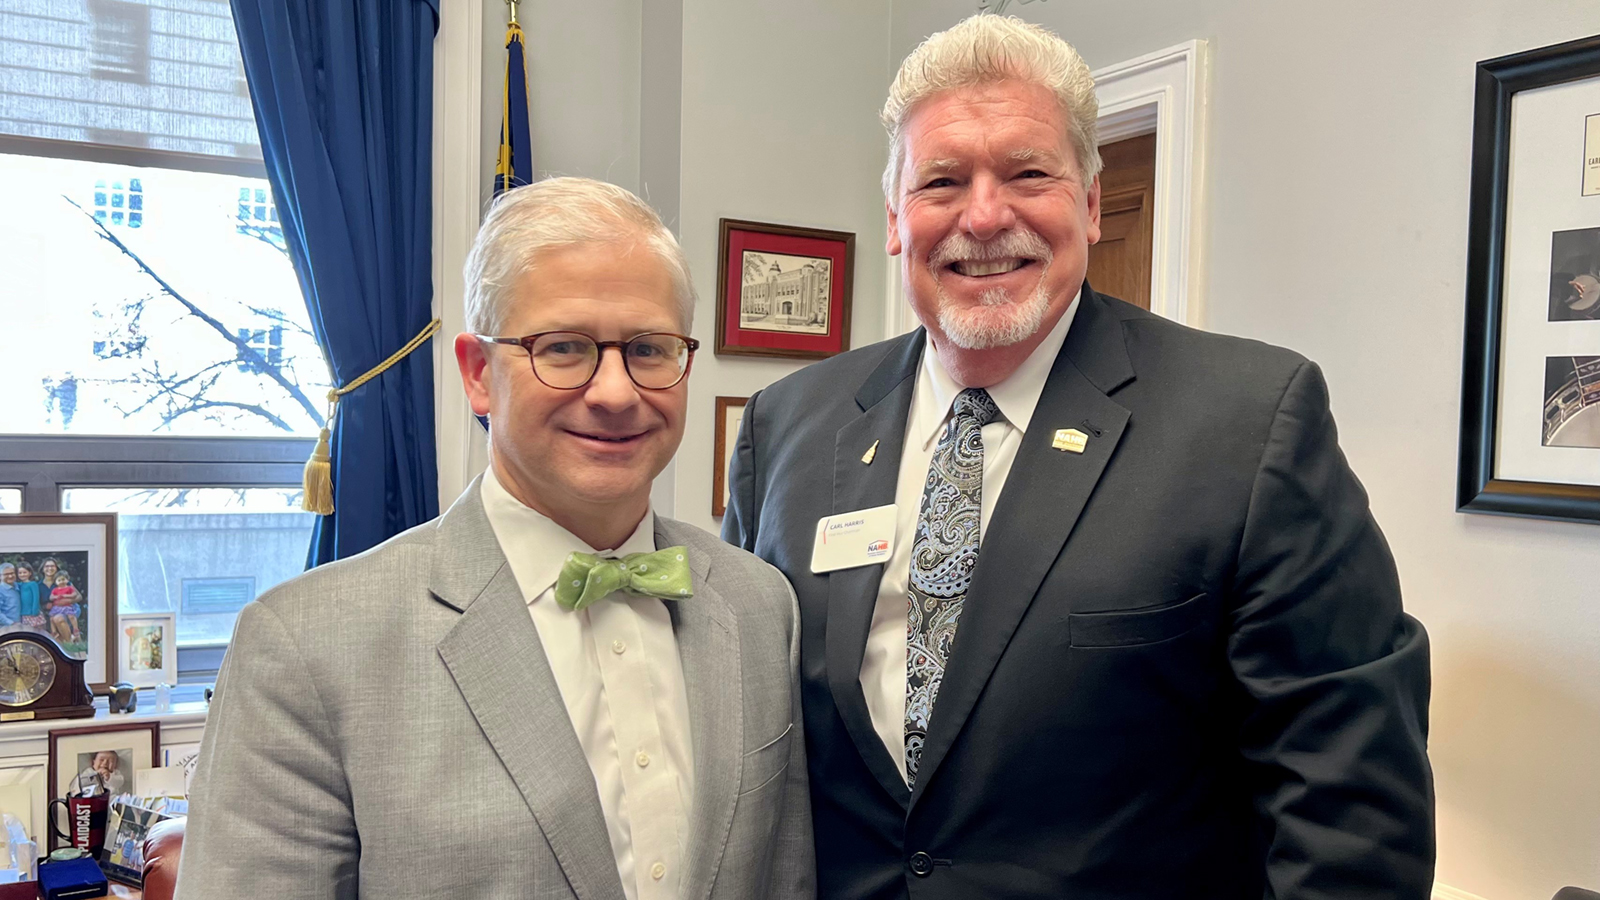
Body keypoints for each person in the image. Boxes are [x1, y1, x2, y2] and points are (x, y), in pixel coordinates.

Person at [722, 14, 1433, 899]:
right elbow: (745, 733)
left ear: (1091, 206)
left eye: (1029, 174)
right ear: (897, 220)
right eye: (942, 181)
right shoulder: (789, 426)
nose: (986, 216)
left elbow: (1351, 807)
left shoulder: (1250, 423)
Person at [177, 177, 813, 900]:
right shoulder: (303, 647)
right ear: (479, 374)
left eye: (649, 349)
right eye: (563, 347)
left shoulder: (762, 607)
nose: (616, 392)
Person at [47, 572, 82, 644]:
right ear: (55, 582)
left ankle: (75, 629)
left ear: (67, 580)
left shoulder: (69, 587)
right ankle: (54, 632)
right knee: (52, 618)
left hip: (67, 607)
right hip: (57, 608)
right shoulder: (55, 589)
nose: (61, 582)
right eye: (59, 580)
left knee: (71, 616)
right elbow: (51, 597)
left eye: (63, 579)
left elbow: (76, 595)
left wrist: (66, 597)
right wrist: (55, 597)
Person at [13, 565, 43, 633]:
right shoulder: (19, 585)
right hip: (24, 613)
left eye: (24, 572)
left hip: (32, 613)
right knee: (27, 632)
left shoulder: (33, 584)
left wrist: (35, 611)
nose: (22, 574)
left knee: (37, 632)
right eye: (20, 573)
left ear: (30, 573)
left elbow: (36, 598)